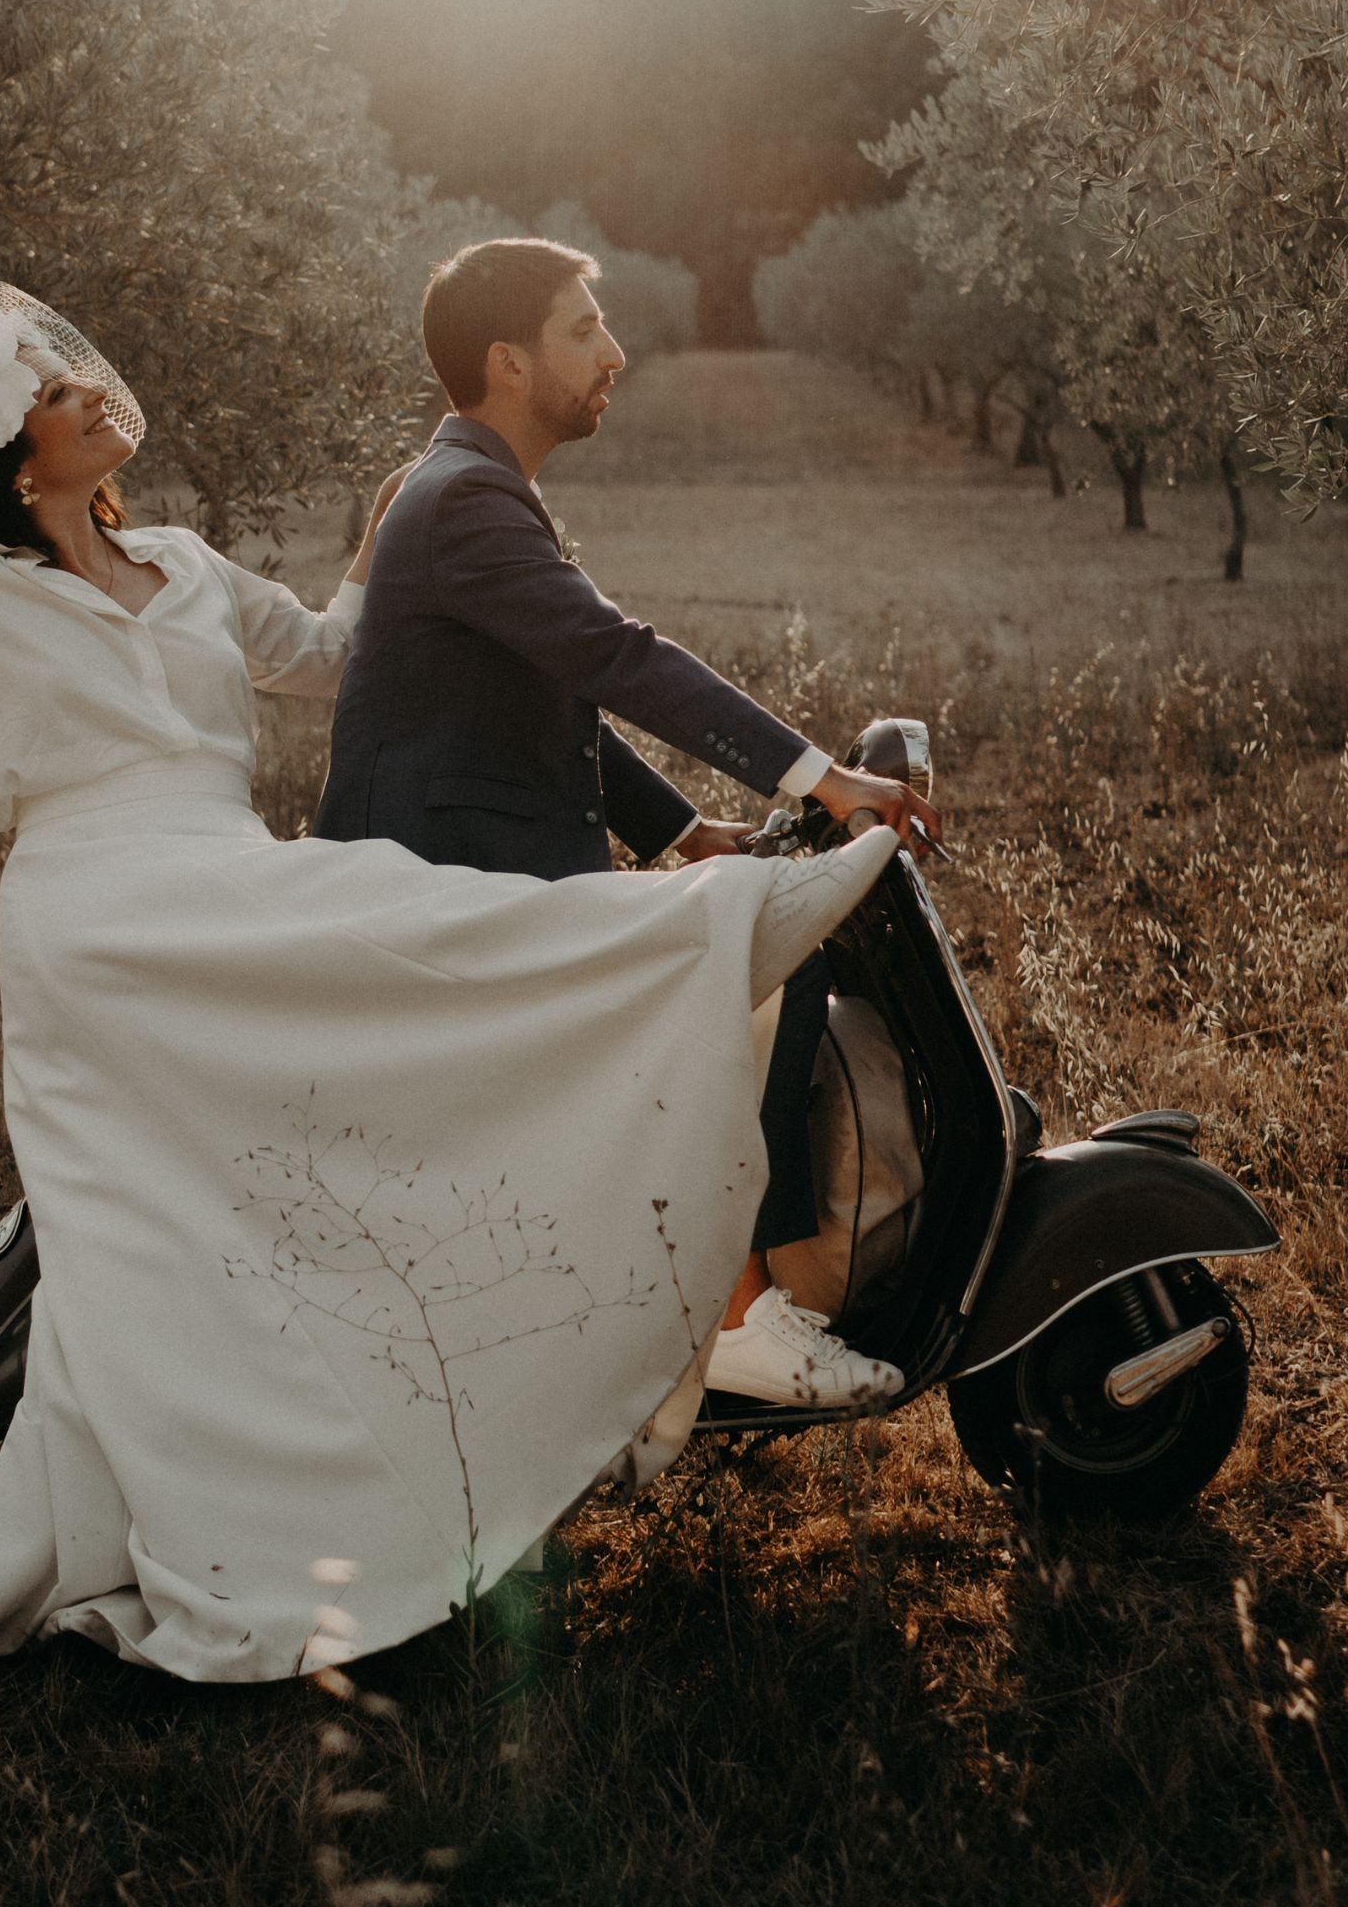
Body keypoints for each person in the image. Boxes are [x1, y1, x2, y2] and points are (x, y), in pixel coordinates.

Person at [0, 280, 926, 1687]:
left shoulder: (186, 566)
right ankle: (720, 926)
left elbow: (332, 646)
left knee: (387, 965)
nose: (93, 386)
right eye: (60, 388)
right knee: (337, 1004)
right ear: (13, 457)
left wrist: (379, 541)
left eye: (76, 371)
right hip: (97, 921)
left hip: (221, 873)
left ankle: (696, 951)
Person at [316, 238, 931, 1411]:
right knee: (753, 962)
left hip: (477, 886)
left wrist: (680, 833)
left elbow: (549, 693)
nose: (616, 352)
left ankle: (713, 1301)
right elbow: (612, 658)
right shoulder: (466, 502)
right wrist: (819, 782)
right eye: (583, 329)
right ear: (506, 361)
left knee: (739, 944)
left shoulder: (470, 490)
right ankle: (749, 1320)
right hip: (449, 905)